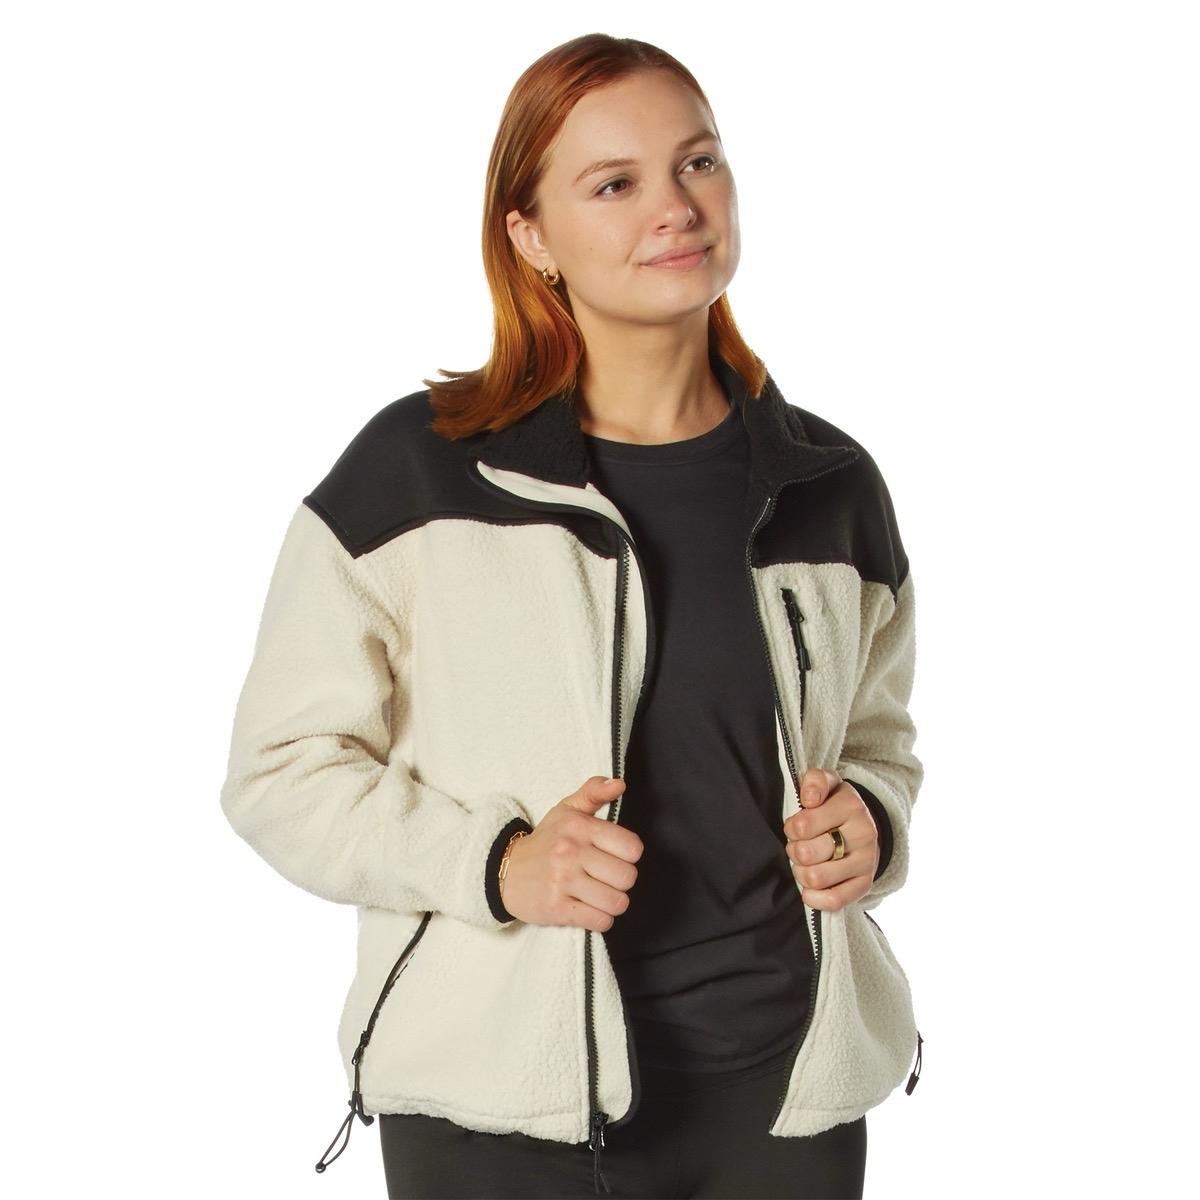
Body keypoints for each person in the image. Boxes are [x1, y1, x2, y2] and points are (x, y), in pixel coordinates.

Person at [219, 32, 924, 1200]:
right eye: (614, 183)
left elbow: (877, 740)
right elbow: (279, 771)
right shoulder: (417, 473)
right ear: (531, 237)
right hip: (497, 1108)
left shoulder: (828, 484)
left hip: (783, 1096)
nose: (675, 207)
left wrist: (872, 822)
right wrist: (499, 865)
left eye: (697, 162)